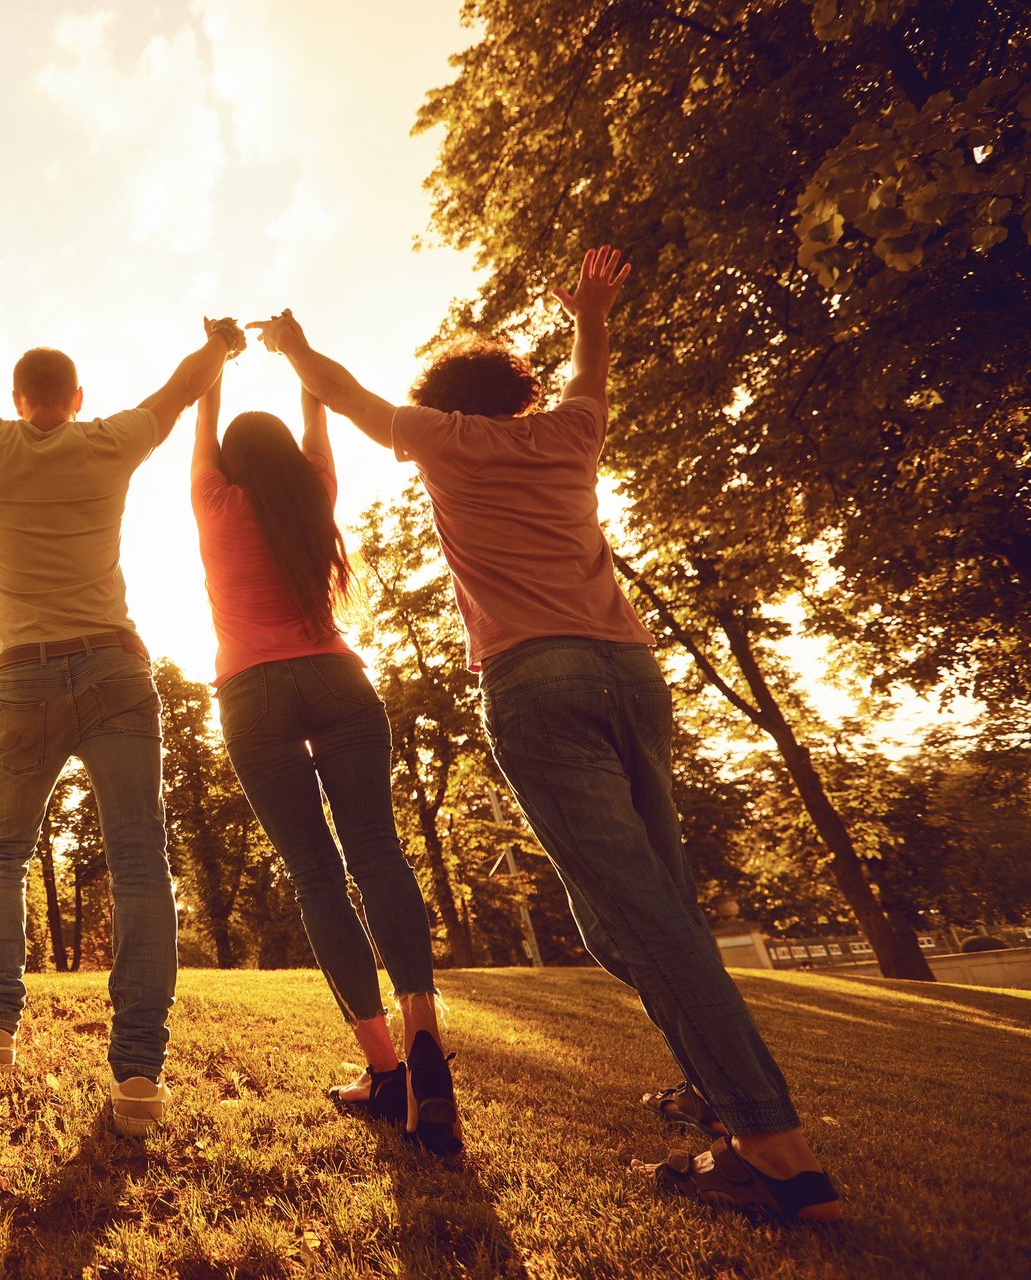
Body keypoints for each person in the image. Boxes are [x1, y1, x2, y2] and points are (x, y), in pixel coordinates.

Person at [248, 247, 841, 1221]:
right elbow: (589, 375)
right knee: (636, 913)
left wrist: (294, 345)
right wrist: (593, 313)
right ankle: (710, 1082)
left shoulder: (442, 437)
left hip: (535, 681)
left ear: (448, 398)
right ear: (516, 394)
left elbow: (345, 393)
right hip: (630, 673)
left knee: (640, 913)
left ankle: (771, 1145)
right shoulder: (569, 434)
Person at [0, 272, 238, 1136]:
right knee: (139, 861)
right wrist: (219, 344)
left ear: (19, 400)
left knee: (2, 853)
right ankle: (138, 1078)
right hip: (114, 670)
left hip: (22, 675)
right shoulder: (106, 441)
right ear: (76, 396)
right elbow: (175, 394)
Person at [189, 341, 460, 1157]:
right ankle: (422, 1025)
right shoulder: (314, 496)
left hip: (252, 692)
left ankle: (385, 1071)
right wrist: (293, 351)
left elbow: (199, 425)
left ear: (234, 463)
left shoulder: (212, 499)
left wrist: (216, 357)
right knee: (378, 853)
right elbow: (316, 421)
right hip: (339, 679)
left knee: (316, 876)